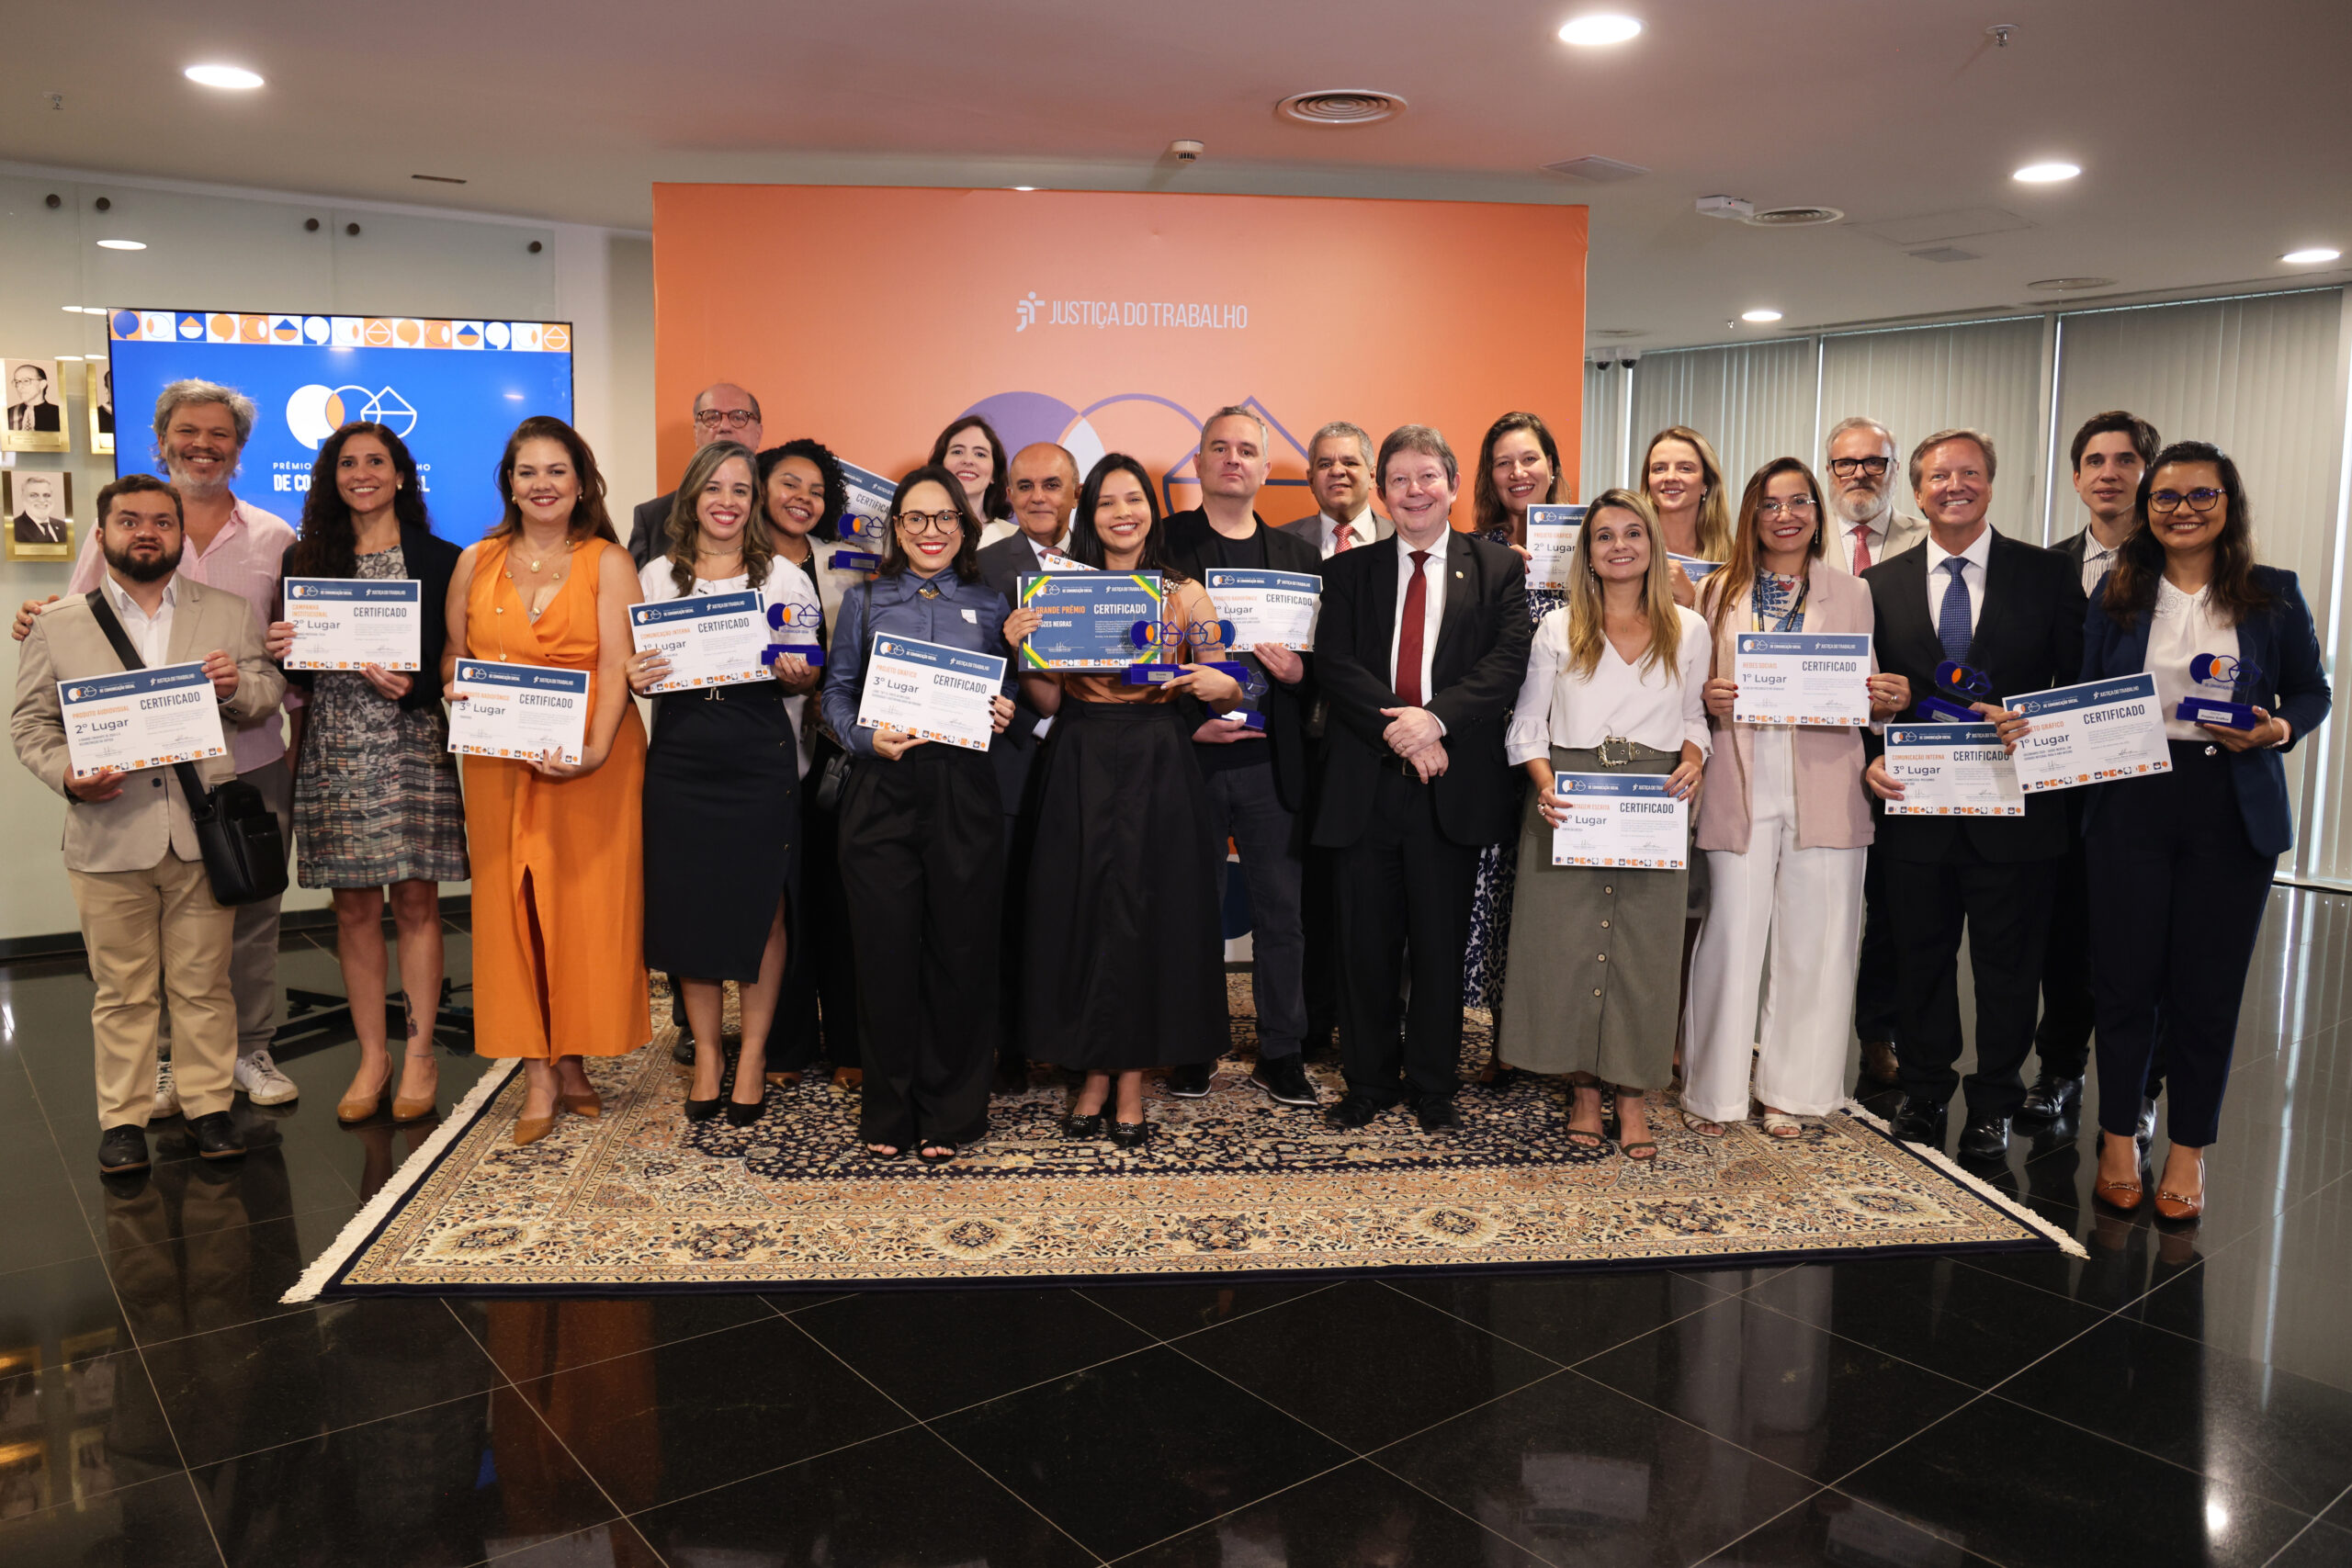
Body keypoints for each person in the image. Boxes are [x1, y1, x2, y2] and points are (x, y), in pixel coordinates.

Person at [17, 380, 299, 1114]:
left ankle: (251, 1048)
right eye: (186, 432)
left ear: (238, 448)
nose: (201, 444)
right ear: (161, 440)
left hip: (249, 757)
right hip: (139, 775)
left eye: (218, 434)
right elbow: (80, 621)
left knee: (251, 907)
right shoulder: (112, 530)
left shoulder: (275, 535)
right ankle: (174, 1066)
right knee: (150, 940)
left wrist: (261, 667)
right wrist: (34, 618)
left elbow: (281, 653)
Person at [2081, 442, 2328, 1220]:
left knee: (2205, 991)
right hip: (2130, 799)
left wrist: (2279, 729)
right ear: (2146, 510)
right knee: (2124, 982)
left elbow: (2312, 692)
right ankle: (2119, 1137)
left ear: (2229, 502)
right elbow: (2087, 692)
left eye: (2200, 495)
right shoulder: (2118, 591)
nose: (2182, 509)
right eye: (2166, 498)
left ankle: (2187, 1150)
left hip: (2230, 804)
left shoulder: (2271, 594)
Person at [1004, 454, 1241, 1144]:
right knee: (1081, 912)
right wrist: (1023, 651)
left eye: (1133, 499)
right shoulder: (1056, 592)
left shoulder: (1183, 593)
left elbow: (1230, 684)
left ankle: (1130, 1076)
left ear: (1150, 511)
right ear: (1089, 515)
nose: (1121, 514)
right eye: (1106, 502)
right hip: (1079, 755)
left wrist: (1206, 677)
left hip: (1158, 761)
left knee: (1145, 916)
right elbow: (1047, 697)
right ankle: (1092, 1072)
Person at [1862, 429, 2084, 1158]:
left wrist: (2035, 721)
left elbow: (2078, 686)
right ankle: (1925, 1093)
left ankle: (1993, 1100)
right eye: (1937, 476)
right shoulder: (1880, 585)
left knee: (2009, 966)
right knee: (1920, 960)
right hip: (1915, 811)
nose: (1953, 486)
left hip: (2015, 811)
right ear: (1917, 491)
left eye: (1969, 473)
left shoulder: (2048, 576)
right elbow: (1864, 695)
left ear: (1991, 483)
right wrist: (1869, 751)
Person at [1314, 425, 1532, 1132]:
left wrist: (1433, 722)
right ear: (1382, 491)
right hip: (1366, 784)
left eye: (1428, 476)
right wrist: (1400, 731)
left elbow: (1504, 665)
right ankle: (1369, 1081)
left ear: (1454, 485)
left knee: (1439, 948)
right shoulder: (1348, 571)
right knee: (1365, 947)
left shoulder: (1496, 569)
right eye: (1400, 479)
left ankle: (1434, 1085)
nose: (1414, 491)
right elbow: (1337, 666)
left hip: (1453, 786)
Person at [1683, 459, 1909, 1137]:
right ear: (1750, 514)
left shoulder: (1852, 592)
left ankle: (1796, 1090)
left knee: (1819, 942)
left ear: (1816, 514)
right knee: (1729, 937)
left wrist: (1888, 700)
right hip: (1737, 777)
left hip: (1826, 779)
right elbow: (1690, 684)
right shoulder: (1717, 589)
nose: (1785, 515)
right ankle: (1714, 1092)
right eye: (1771, 503)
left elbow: (1867, 694)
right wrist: (1706, 696)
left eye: (1800, 502)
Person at [446, 416, 650, 1146]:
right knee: (510, 911)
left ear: (581, 481)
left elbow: (617, 667)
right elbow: (453, 657)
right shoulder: (476, 561)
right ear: (509, 482)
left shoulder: (607, 560)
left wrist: (593, 751)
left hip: (593, 761)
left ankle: (575, 1057)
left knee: (585, 911)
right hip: (501, 761)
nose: (542, 485)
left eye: (557, 471)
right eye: (527, 472)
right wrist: (455, 692)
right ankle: (536, 1069)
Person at [819, 465, 1018, 1162]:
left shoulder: (993, 607)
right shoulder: (865, 602)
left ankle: (953, 1113)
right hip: (883, 791)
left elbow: (1012, 698)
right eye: (916, 518)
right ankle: (889, 1112)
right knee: (884, 955)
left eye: (945, 519)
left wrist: (1005, 707)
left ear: (963, 529)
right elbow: (833, 698)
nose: (931, 531)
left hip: (965, 791)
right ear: (896, 527)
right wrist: (865, 737)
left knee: (960, 954)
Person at [1497, 490, 1704, 1156]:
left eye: (1633, 533)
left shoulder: (1689, 629)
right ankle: (1584, 1089)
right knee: (1567, 945)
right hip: (1571, 798)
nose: (1620, 545)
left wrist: (1696, 757)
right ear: (1586, 553)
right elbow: (1528, 722)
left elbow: (1697, 718)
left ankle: (1633, 1095)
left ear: (1652, 544)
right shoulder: (1558, 628)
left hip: (1652, 802)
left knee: (1644, 949)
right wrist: (1544, 785)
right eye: (1605, 535)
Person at [273, 423, 466, 1125]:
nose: (362, 473)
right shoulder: (306, 557)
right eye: (347, 463)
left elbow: (453, 658)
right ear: (331, 477)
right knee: (353, 908)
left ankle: (419, 1054)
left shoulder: (443, 558)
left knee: (416, 902)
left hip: (411, 741)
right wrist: (283, 645)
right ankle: (372, 1056)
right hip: (333, 746)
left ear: (401, 474)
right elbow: (300, 668)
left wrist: (411, 687)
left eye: (375, 461)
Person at [625, 440, 803, 1129]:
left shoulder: (784, 577)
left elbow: (810, 668)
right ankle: (707, 1053)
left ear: (754, 503)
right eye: (714, 488)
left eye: (741, 489)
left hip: (757, 750)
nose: (727, 501)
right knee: (688, 908)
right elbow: (633, 665)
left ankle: (752, 1052)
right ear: (692, 497)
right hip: (682, 754)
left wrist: (801, 671)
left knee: (764, 907)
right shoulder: (654, 577)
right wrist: (632, 677)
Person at [1159, 407, 1325, 1109]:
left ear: (1264, 469)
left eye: (1248, 450)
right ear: (1196, 464)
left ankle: (1281, 1051)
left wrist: (1295, 677)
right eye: (1218, 448)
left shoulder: (1297, 559)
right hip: (1187, 755)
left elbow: (1325, 669)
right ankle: (1193, 1046)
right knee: (1187, 908)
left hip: (1269, 758)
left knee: (1281, 913)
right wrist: (1185, 723)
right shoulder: (1160, 544)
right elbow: (1131, 657)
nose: (1233, 459)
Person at [2022, 409, 2163, 1125]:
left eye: (2125, 460)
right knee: (2065, 936)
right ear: (2076, 477)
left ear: (2146, 473)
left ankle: (2138, 1090)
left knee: (2141, 940)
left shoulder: (2178, 565)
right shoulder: (2045, 567)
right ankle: (2059, 1069)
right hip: (2062, 788)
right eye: (2096, 461)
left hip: (2145, 791)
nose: (2109, 472)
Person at [1824, 415, 1929, 1090]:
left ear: (1895, 471)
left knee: (1893, 903)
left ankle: (1878, 1031)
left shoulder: (1926, 546)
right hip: (1824, 746)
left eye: (1875, 462)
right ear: (1827, 471)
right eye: (1846, 463)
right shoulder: (1802, 545)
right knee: (1824, 898)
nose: (1860, 474)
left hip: (1902, 743)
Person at [758, 438, 866, 1089]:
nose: (802, 498)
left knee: (840, 898)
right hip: (764, 755)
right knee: (781, 903)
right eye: (788, 484)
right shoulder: (734, 566)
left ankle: (853, 1040)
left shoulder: (846, 564)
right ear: (761, 489)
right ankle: (787, 1043)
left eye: (816, 489)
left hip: (838, 758)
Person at [977, 442, 1083, 1089]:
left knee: (1078, 903)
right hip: (1012, 755)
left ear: (1075, 492)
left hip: (1093, 759)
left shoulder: (1107, 560)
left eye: (1052, 484)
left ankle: (1076, 1040)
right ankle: (1009, 1043)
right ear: (1008, 496)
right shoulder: (985, 565)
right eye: (1025, 486)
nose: (1039, 496)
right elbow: (970, 659)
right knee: (1010, 906)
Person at [1461, 412, 1567, 1039]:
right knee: (1498, 889)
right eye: (1504, 462)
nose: (1518, 472)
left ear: (1552, 467)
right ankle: (1503, 1032)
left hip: (1569, 743)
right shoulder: (1474, 553)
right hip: (1490, 742)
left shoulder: (1595, 545)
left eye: (1529, 459)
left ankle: (1549, 1032)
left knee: (1551, 889)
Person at [627, 383, 763, 569]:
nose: (724, 426)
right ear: (696, 433)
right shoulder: (653, 518)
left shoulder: (782, 511)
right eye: (712, 417)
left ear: (758, 433)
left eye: (739, 417)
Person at [1639, 425, 1729, 608]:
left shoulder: (1732, 559)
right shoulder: (1631, 552)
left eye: (1685, 468)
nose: (1670, 477)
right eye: (1659, 469)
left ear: (1706, 483)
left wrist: (1690, 600)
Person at [1280, 422, 1392, 558]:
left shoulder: (1405, 538)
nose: (1337, 471)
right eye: (1325, 464)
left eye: (1350, 463)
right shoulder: (1279, 544)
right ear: (1311, 480)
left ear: (1372, 476)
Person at [931, 414, 1013, 544]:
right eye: (957, 452)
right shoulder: (914, 528)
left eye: (980, 454)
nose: (968, 460)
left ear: (993, 474)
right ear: (940, 466)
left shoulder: (1014, 538)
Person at [13, 473, 69, 544]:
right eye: (34, 495)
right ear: (23, 498)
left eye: (46, 495)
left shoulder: (64, 527)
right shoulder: (14, 528)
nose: (42, 500)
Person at [7, 362, 62, 432]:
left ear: (42, 384)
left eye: (26, 381)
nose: (19, 387)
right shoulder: (8, 413)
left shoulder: (58, 414)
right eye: (17, 382)